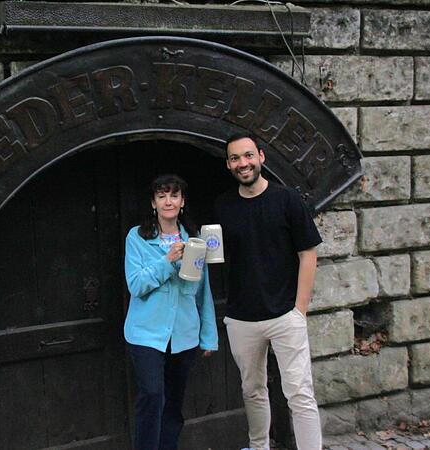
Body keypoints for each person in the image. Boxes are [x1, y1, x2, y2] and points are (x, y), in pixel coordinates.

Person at [214, 134, 323, 450]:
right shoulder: (223, 205)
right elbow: (215, 253)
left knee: (300, 393)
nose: (242, 163)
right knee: (252, 391)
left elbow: (308, 253)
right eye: (235, 158)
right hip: (242, 318)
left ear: (261, 157)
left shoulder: (286, 199)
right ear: (229, 164)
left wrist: (299, 310)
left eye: (248, 155)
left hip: (285, 314)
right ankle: (259, 446)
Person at [123, 174, 219, 450]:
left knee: (174, 403)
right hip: (145, 334)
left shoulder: (196, 240)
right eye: (162, 196)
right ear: (153, 203)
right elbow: (136, 284)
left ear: (182, 201)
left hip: (184, 335)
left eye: (174, 195)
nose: (168, 201)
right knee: (152, 396)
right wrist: (167, 261)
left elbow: (203, 291)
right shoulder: (138, 237)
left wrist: (208, 336)